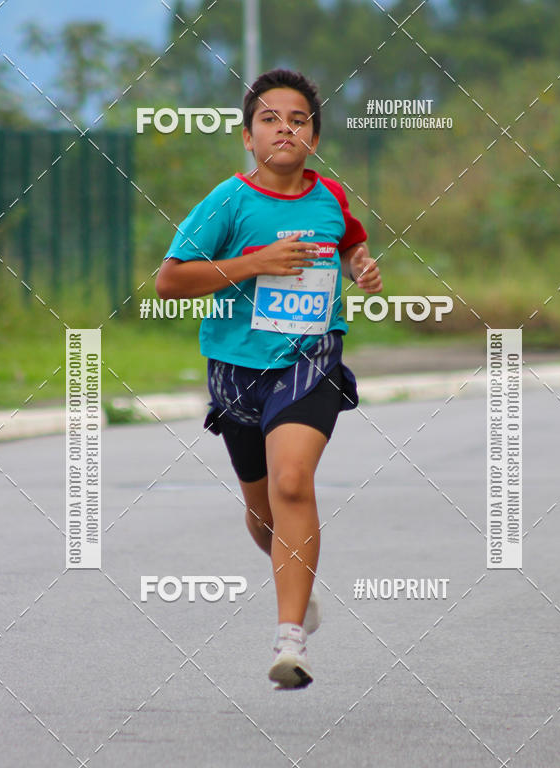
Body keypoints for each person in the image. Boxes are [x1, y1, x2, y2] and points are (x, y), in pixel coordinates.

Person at [156, 68, 382, 690]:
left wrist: (360, 267)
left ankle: (290, 640)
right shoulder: (227, 202)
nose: (285, 128)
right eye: (270, 119)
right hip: (237, 370)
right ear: (248, 138)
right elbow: (170, 281)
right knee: (262, 510)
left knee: (291, 480)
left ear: (313, 135)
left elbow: (350, 245)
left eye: (299, 120)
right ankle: (296, 584)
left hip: (312, 358)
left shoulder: (331, 197)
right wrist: (255, 264)